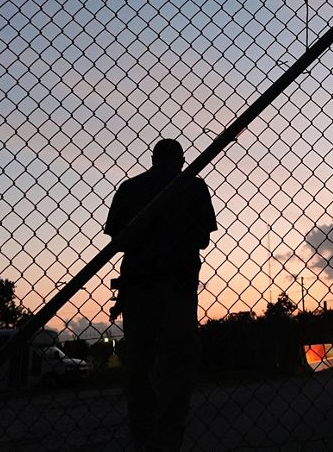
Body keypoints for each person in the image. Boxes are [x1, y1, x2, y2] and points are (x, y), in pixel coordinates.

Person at [105, 138, 217, 452]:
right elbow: (203, 239)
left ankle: (142, 437)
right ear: (181, 160)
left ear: (153, 159)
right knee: (177, 366)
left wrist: (147, 234)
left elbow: (118, 238)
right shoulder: (193, 187)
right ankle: (169, 439)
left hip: (139, 285)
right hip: (178, 286)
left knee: (139, 364)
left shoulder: (130, 188)